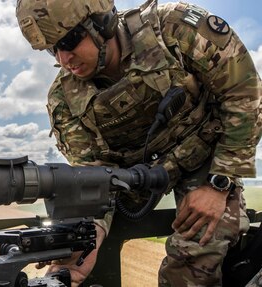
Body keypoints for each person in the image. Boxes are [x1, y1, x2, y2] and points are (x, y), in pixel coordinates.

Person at [16, 0, 262, 286]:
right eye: (52, 49)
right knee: (77, 249)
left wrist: (219, 184)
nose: (64, 58)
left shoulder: (175, 29)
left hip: (206, 157)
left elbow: (245, 95)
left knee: (192, 258)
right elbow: (92, 172)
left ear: (102, 22)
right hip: (131, 179)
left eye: (70, 40)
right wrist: (86, 235)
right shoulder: (64, 100)